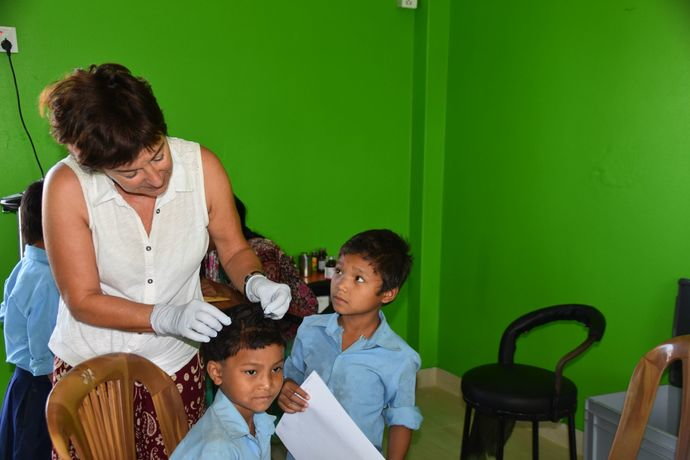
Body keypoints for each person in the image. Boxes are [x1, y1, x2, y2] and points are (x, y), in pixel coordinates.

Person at [39, 63, 291, 459]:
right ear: (91, 163)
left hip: (173, 364)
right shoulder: (68, 187)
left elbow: (234, 248)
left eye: (157, 155)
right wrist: (164, 316)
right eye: (129, 172)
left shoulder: (201, 167)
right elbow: (82, 298)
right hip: (93, 367)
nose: (154, 178)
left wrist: (256, 281)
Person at [279, 229, 423, 459]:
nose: (341, 285)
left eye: (358, 278)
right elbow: (290, 376)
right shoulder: (309, 329)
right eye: (339, 271)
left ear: (387, 294)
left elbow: (402, 420)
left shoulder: (399, 357)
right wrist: (285, 387)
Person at [170, 303, 285, 460]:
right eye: (251, 372)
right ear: (217, 373)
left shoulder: (258, 419)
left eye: (276, 369)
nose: (267, 384)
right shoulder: (218, 449)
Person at [201, 195, 318, 339]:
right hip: (240, 327)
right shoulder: (209, 254)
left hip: (287, 328)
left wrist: (224, 291)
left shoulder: (263, 252)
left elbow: (263, 310)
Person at [0, 179, 59, 459]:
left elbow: (6, 310)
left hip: (22, 386)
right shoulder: (48, 278)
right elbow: (43, 347)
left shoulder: (26, 265)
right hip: (41, 388)